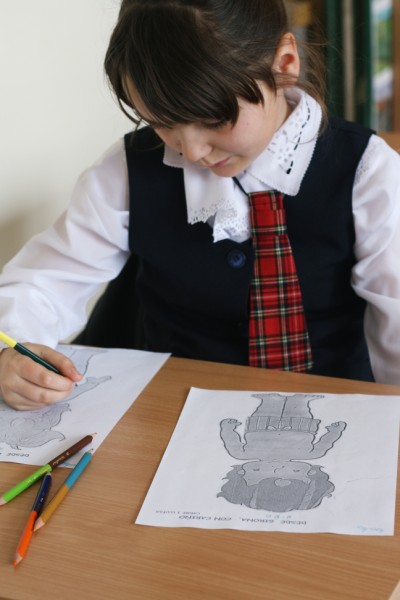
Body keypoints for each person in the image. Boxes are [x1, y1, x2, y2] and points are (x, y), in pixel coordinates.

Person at [0, 0, 399, 411]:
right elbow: (45, 282)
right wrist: (13, 352)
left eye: (212, 120)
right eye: (163, 123)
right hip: (168, 412)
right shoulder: (127, 170)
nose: (191, 151)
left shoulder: (367, 172)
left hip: (333, 413)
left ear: (284, 63)